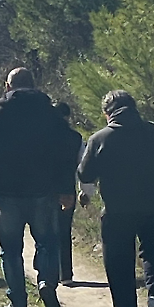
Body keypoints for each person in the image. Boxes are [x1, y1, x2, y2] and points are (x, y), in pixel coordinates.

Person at [77, 90, 154, 307]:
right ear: (135, 108)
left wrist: (87, 191)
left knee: (118, 263)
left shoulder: (100, 138)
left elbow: (85, 175)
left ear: (107, 114)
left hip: (117, 210)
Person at [0, 68, 77, 307]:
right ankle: (45, 282)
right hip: (43, 192)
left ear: (7, 86)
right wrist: (66, 189)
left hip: (7, 194)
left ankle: (17, 302)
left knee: (10, 250)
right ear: (33, 85)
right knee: (47, 242)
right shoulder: (50, 112)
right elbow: (67, 149)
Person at [55, 102, 97, 286]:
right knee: (64, 231)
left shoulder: (42, 137)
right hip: (67, 191)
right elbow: (84, 167)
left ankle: (47, 272)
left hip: (43, 191)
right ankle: (66, 274)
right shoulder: (75, 138)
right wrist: (85, 191)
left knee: (45, 231)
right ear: (68, 117)